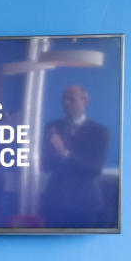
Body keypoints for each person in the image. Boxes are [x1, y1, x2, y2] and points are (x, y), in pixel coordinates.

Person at [42, 84, 109, 227]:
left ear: (85, 102)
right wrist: (48, 148)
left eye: (71, 99)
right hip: (55, 202)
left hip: (85, 204)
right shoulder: (53, 127)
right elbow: (45, 167)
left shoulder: (100, 131)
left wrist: (64, 153)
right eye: (64, 99)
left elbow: (94, 169)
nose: (66, 103)